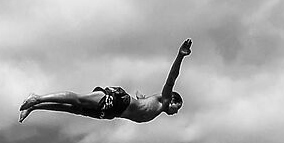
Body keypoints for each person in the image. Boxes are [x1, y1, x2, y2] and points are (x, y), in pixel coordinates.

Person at [19, 39, 192, 123]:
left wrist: (140, 97)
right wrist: (180, 56)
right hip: (118, 101)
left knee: (75, 110)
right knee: (78, 100)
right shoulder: (164, 101)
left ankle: (34, 107)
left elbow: (142, 103)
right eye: (178, 107)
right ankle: (37, 98)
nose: (176, 111)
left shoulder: (153, 105)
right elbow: (171, 79)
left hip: (113, 113)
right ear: (173, 101)